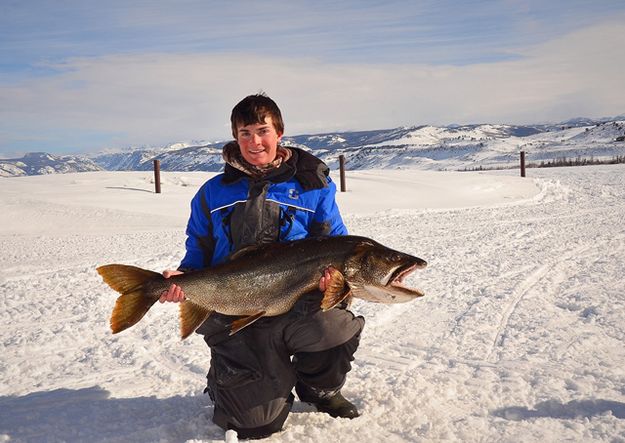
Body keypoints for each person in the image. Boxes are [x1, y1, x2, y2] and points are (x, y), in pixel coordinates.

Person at [160, 93, 365, 439]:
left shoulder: (313, 187)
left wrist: (333, 280)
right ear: (234, 137)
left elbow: (336, 244)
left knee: (334, 326)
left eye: (262, 131)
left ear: (279, 133)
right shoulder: (212, 192)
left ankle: (320, 390)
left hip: (297, 306)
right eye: (244, 133)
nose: (254, 142)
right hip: (235, 314)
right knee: (256, 425)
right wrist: (185, 277)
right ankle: (228, 380)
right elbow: (199, 247)